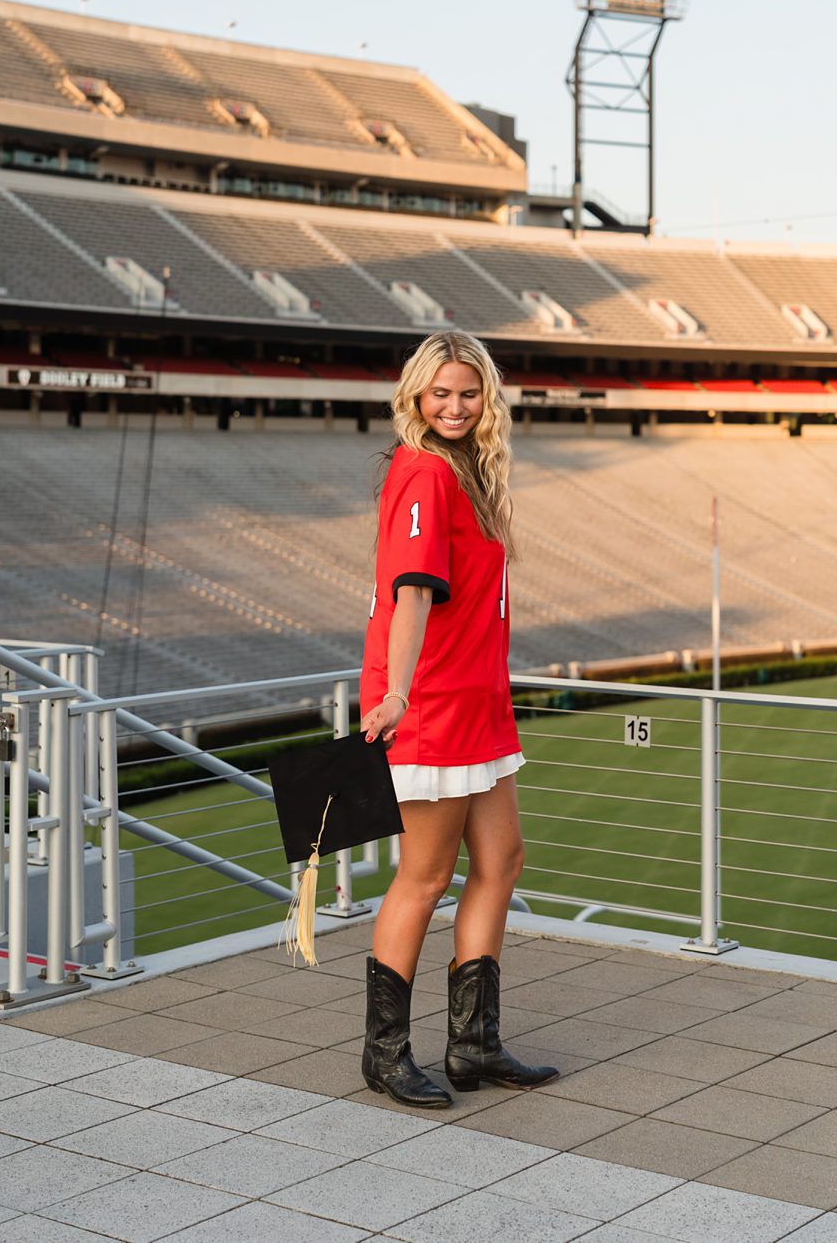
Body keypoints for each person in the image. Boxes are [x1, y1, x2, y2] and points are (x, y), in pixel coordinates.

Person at [356, 330, 556, 1107]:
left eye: (468, 393)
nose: (454, 405)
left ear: (487, 399)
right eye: (439, 392)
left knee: (501, 859)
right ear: (414, 393)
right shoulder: (425, 473)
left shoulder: (467, 472)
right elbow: (410, 592)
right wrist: (397, 693)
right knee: (426, 873)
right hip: (432, 707)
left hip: (480, 706)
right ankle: (385, 1051)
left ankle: (473, 1044)